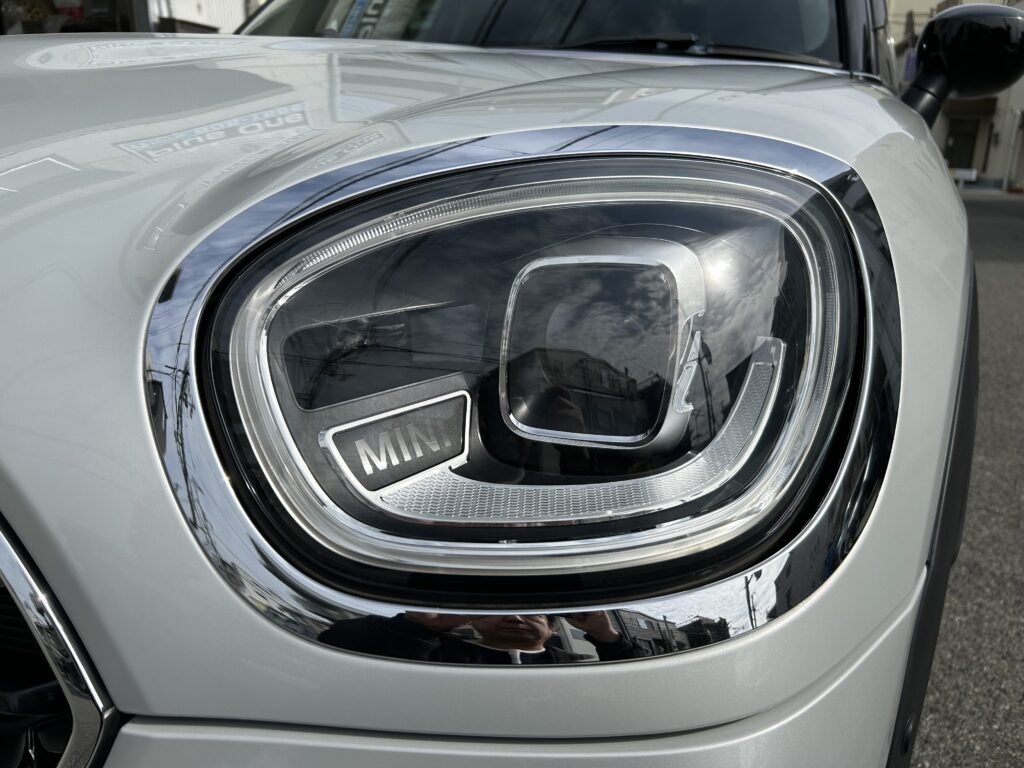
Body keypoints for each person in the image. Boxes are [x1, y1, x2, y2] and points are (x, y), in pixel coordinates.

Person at [317, 610, 647, 664]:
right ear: (474, 620)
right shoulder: (440, 653)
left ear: (553, 629)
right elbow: (335, 641)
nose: (515, 618)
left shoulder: (576, 666)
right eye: (498, 611)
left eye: (532, 614)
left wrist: (606, 636)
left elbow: (636, 688)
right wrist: (418, 626)